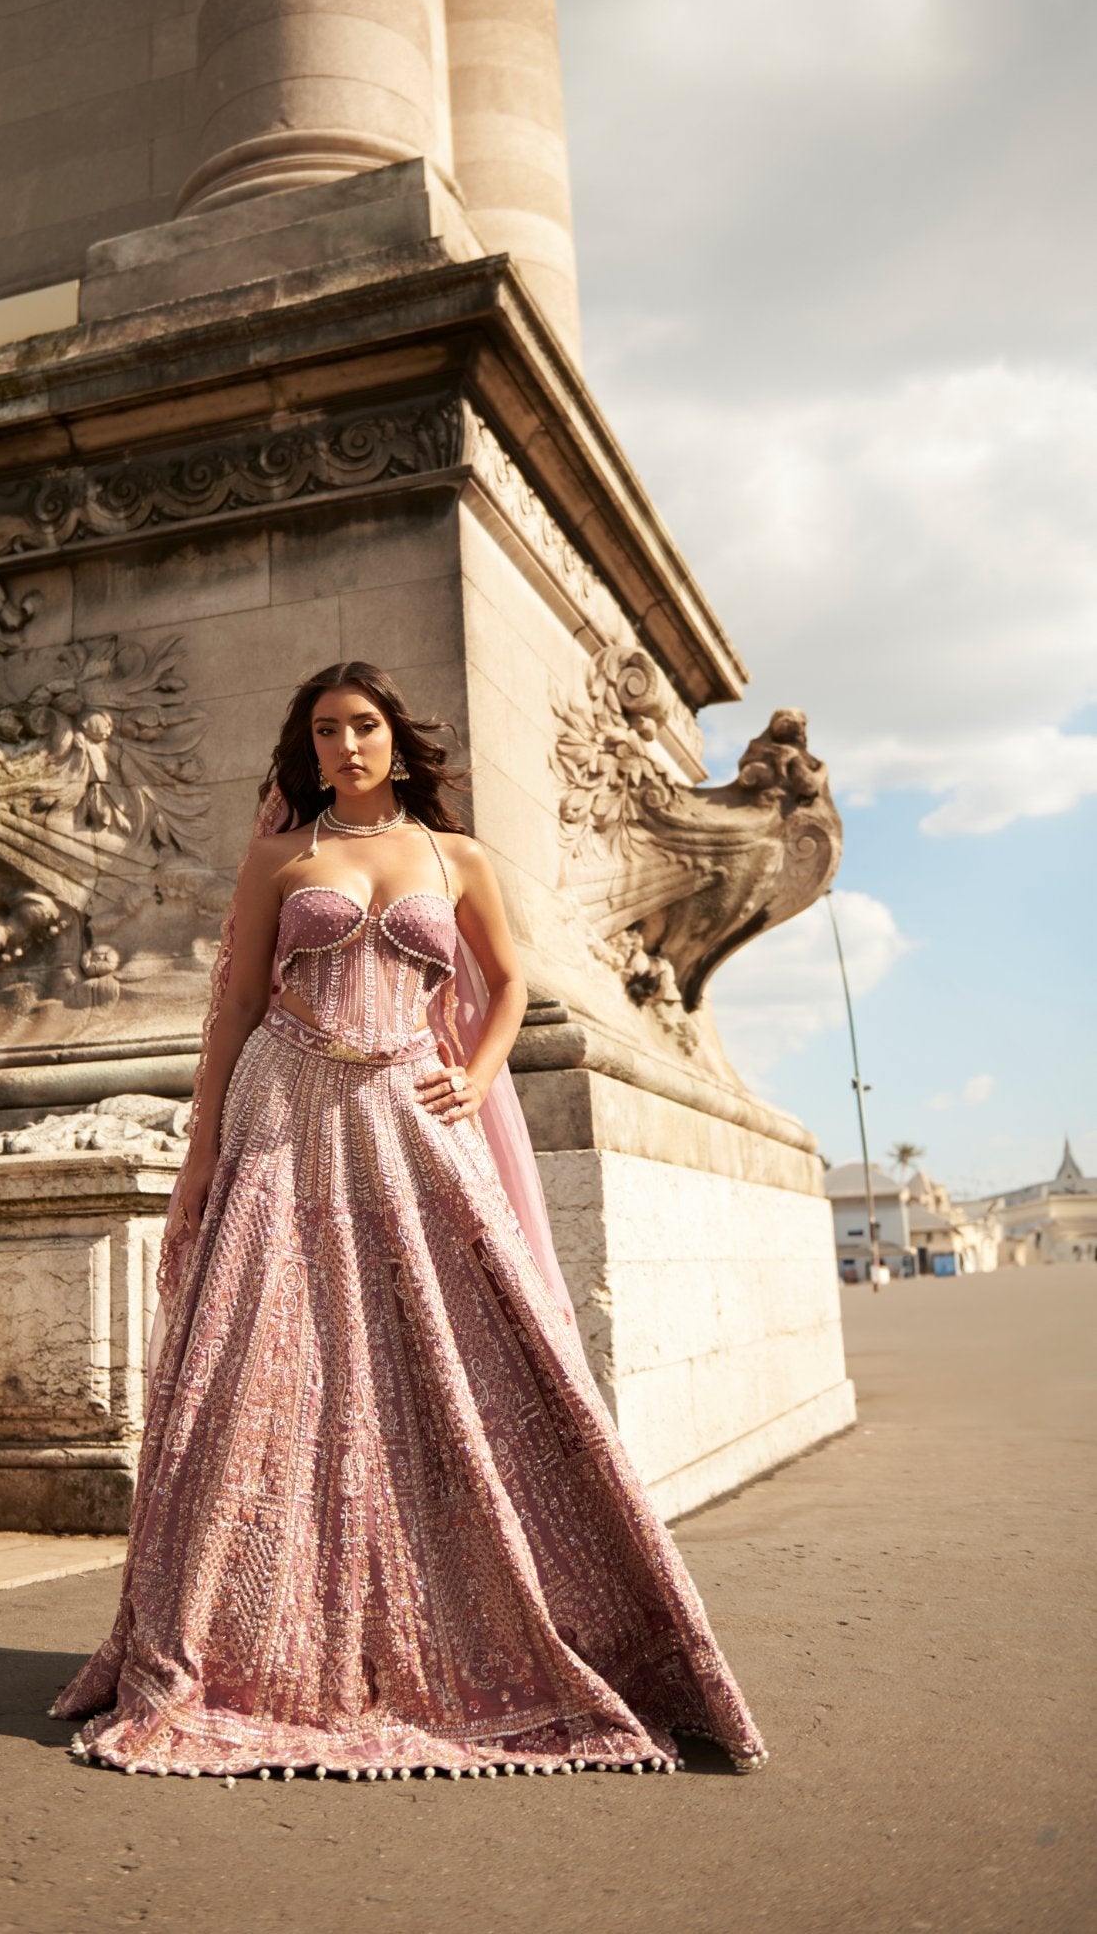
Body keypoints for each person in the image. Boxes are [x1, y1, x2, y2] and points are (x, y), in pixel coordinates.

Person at [50, 661, 767, 1780]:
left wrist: (476, 1076)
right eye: (325, 730)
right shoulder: (282, 858)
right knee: (263, 1361)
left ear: (395, 737)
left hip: (410, 1109)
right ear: (308, 747)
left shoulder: (454, 856)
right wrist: (201, 1153)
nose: (345, 746)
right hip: (283, 1112)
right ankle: (236, 1646)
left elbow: (509, 982)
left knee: (480, 1342)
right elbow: (235, 1006)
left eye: (364, 725)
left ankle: (547, 1628)